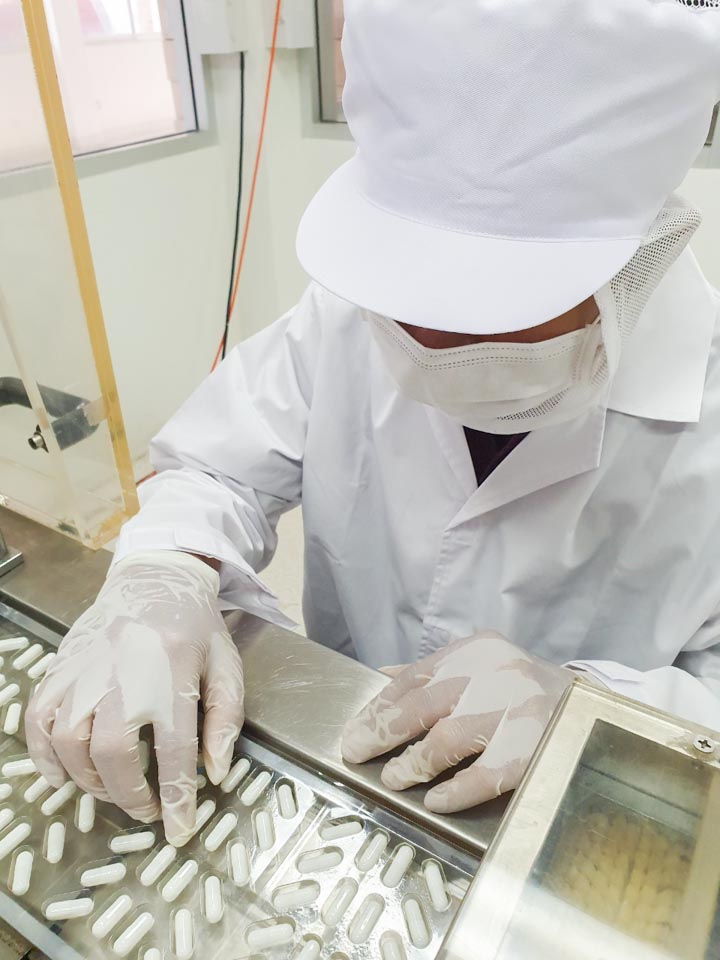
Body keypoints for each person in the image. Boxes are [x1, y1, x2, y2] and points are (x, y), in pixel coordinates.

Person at [24, 0, 720, 846]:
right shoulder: (348, 313)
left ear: (639, 253)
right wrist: (166, 573)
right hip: (340, 766)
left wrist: (591, 710)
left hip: (581, 824)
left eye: (495, 297)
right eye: (412, 285)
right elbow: (217, 467)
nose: (432, 339)